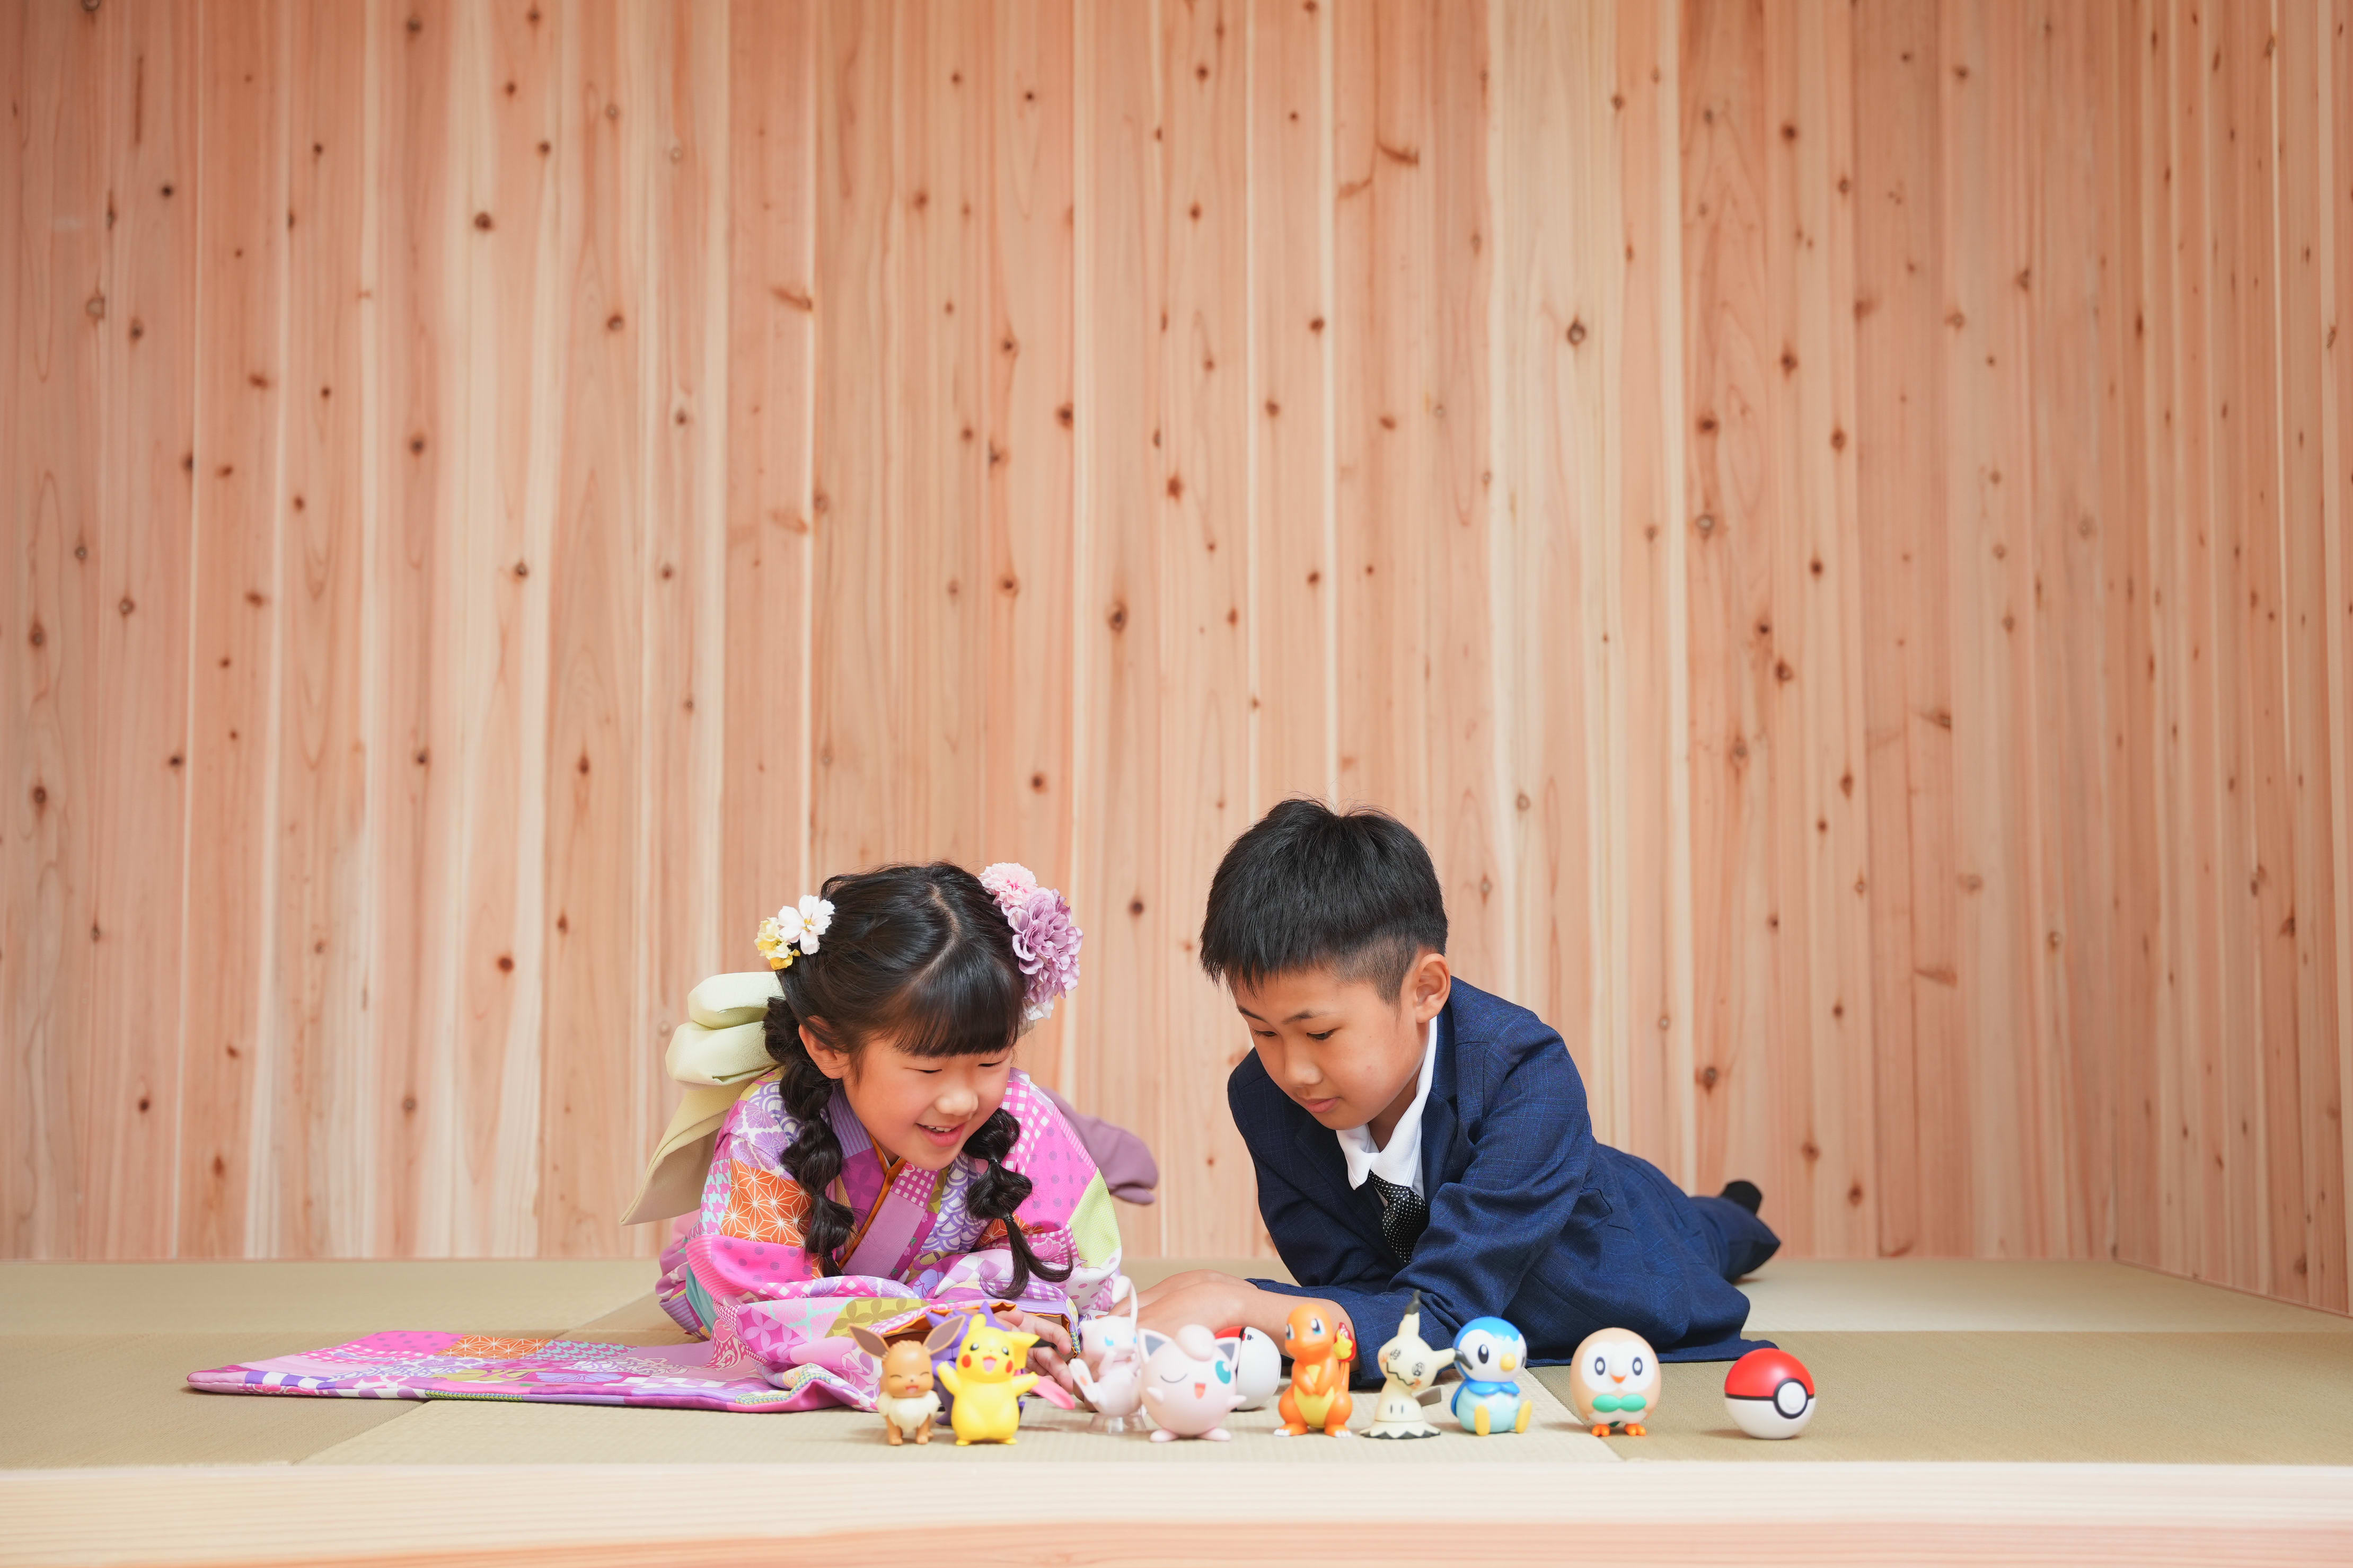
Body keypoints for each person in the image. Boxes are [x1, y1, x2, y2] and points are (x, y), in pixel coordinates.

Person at [1138, 800, 1778, 1381]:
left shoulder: (1526, 1072)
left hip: (1616, 1237)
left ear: (1425, 990)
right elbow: (1355, 1291)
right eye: (1263, 1033)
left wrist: (1238, 1300)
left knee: (1713, 1231)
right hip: (1464, 1268)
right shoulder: (1263, 1099)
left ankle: (1736, 1208)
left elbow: (1442, 1312)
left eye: (1321, 1033)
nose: (1294, 1070)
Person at [646, 861, 1125, 1410]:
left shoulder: (1024, 1119)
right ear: (829, 1047)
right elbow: (756, 1306)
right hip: (806, 1323)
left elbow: (1072, 1271)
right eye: (928, 1069)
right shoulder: (768, 1128)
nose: (961, 1100)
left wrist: (1026, 1324)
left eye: (991, 1061)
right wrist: (943, 1320)